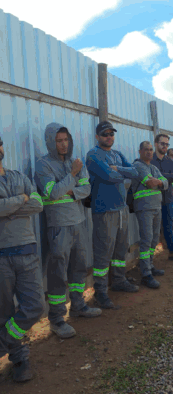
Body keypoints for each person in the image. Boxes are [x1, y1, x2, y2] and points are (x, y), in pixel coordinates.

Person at [34, 123, 101, 340]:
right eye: (59, 141)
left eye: (66, 140)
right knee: (58, 272)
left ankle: (78, 306)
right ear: (50, 142)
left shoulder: (75, 161)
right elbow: (53, 193)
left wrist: (72, 192)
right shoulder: (43, 165)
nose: (64, 144)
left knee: (79, 267)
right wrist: (72, 176)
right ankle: (56, 319)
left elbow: (87, 188)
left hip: (78, 222)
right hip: (58, 226)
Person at [0, 135, 45, 382]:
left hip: (26, 249)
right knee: (4, 312)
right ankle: (19, 358)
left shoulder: (18, 176)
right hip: (1, 256)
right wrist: (21, 199)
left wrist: (8, 208)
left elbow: (38, 204)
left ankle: (2, 343)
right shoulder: (21, 187)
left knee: (34, 305)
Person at [87, 121, 141, 308]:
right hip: (104, 210)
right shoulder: (93, 155)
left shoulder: (117, 155)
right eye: (105, 134)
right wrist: (121, 173)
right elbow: (109, 177)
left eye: (111, 134)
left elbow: (135, 172)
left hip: (121, 209)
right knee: (103, 253)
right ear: (97, 137)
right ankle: (100, 292)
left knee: (120, 249)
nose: (109, 137)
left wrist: (119, 169)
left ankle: (118, 280)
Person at [131, 141, 169, 289]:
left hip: (156, 207)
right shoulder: (138, 165)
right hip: (144, 208)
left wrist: (158, 181)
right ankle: (146, 274)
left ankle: (150, 265)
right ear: (140, 151)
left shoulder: (153, 167)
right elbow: (150, 183)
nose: (149, 152)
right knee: (146, 240)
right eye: (146, 149)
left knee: (154, 239)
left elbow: (166, 183)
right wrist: (159, 182)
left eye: (151, 150)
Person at [152, 134, 173, 262]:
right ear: (156, 144)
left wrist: (162, 178)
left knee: (168, 227)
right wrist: (170, 176)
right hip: (154, 200)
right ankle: (149, 260)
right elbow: (153, 178)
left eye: (167, 144)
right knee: (153, 230)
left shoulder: (169, 161)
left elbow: (172, 179)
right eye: (162, 144)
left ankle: (172, 252)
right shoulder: (151, 160)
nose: (165, 146)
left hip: (168, 199)